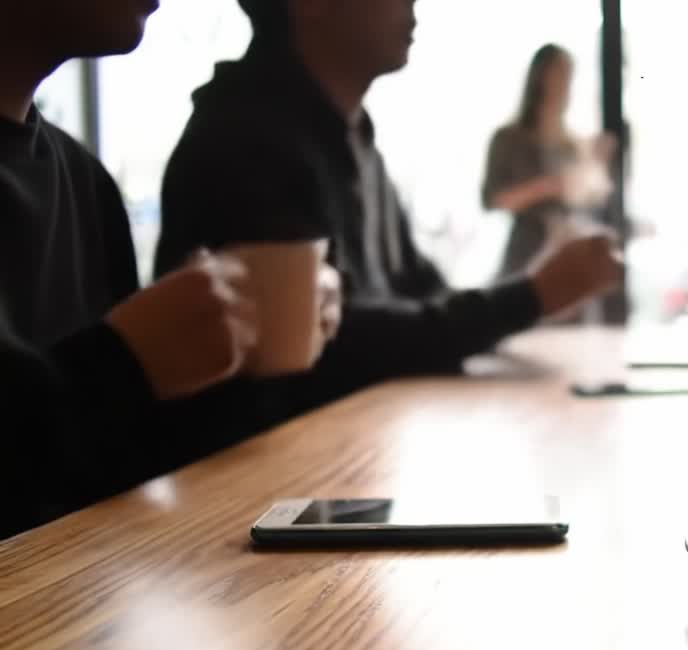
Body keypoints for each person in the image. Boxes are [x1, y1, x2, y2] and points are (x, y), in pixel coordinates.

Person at [156, 0, 622, 406]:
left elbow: (421, 293)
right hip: (260, 487)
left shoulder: (352, 135)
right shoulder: (244, 138)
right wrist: (533, 294)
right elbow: (340, 344)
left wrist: (535, 294)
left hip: (340, 457)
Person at [0, 1, 338, 538]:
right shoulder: (243, 130)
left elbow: (112, 463)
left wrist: (224, 353)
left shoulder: (83, 180)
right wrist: (127, 361)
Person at [483, 44, 615, 279]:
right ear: (539, 78)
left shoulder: (573, 144)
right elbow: (493, 200)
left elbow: (589, 198)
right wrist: (548, 186)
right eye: (557, 75)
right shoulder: (509, 138)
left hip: (568, 248)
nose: (563, 84)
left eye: (567, 76)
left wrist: (596, 167)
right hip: (526, 253)